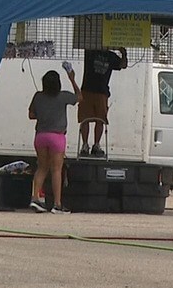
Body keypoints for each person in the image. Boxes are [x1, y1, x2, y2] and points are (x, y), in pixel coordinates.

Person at [28, 68, 80, 213]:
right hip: (57, 137)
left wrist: (44, 115)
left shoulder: (38, 96)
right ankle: (57, 204)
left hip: (40, 136)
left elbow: (31, 115)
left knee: (42, 168)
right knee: (56, 170)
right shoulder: (63, 96)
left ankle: (35, 198)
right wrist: (72, 79)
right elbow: (79, 97)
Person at [78, 47, 128, 157]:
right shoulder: (91, 50)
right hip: (89, 90)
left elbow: (122, 65)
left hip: (100, 91)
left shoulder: (111, 56)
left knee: (100, 119)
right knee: (85, 119)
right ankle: (85, 144)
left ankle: (96, 144)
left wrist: (123, 53)